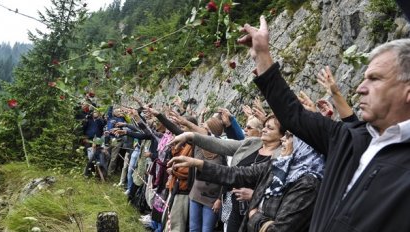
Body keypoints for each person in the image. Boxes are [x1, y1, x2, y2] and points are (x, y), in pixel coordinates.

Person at [239, 15, 410, 231]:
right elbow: (292, 113)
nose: (360, 88)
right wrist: (262, 54)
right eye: (364, 78)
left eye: (375, 79)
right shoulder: (349, 141)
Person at [168, 131, 324, 232]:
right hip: (236, 210)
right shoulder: (277, 165)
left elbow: (279, 229)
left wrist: (253, 211)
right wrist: (197, 163)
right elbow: (236, 173)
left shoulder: (307, 184)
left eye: (290, 137)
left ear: (304, 146)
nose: (284, 139)